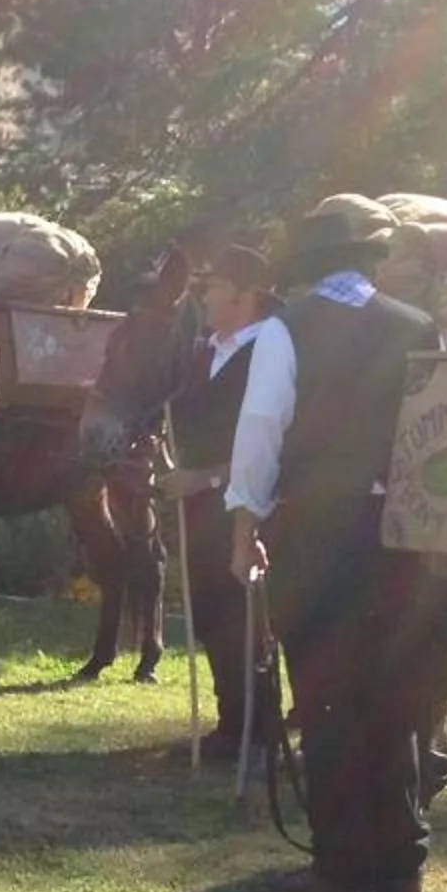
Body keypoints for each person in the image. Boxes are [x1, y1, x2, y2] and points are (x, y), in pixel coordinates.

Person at [225, 195, 444, 892]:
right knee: (393, 692)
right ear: (371, 257)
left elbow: (261, 428)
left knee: (323, 695)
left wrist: (242, 526)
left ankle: (344, 862)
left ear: (310, 263)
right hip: (397, 534)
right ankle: (402, 863)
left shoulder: (285, 331)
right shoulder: (418, 328)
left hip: (316, 531)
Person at [158, 243, 287, 767]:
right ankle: (231, 725)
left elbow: (273, 442)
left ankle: (261, 734)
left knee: (247, 620)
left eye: (212, 289)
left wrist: (204, 479)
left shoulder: (272, 352)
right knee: (212, 617)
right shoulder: (204, 350)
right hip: (197, 507)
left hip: (247, 506)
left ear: (244, 296)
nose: (203, 298)